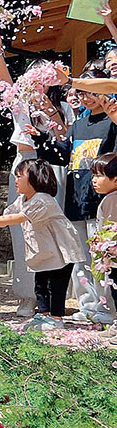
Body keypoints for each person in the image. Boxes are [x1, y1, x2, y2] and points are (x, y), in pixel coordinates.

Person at [0, 26, 71, 317]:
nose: (40, 85)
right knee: (23, 233)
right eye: (36, 79)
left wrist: (51, 112)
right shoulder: (19, 104)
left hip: (50, 169)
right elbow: (5, 81)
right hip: (24, 164)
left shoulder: (63, 106)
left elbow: (65, 139)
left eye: (45, 80)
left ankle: (53, 297)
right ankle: (27, 295)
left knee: (49, 230)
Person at [0, 159, 84, 330]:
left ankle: (56, 318)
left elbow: (16, 218)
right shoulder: (23, 199)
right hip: (44, 251)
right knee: (40, 284)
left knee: (56, 285)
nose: (15, 180)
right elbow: (8, 214)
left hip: (60, 250)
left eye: (19, 176)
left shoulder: (43, 200)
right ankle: (43, 314)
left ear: (35, 178)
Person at [60, 68, 117, 324]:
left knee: (102, 256)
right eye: (82, 91)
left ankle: (107, 308)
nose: (87, 96)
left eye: (93, 90)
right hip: (75, 199)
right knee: (79, 259)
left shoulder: (112, 121)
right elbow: (63, 154)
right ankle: (87, 305)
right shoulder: (79, 123)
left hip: (102, 202)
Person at [91, 153, 117, 340]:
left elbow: (110, 231)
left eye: (100, 175)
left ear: (115, 179)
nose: (94, 180)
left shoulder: (111, 199)